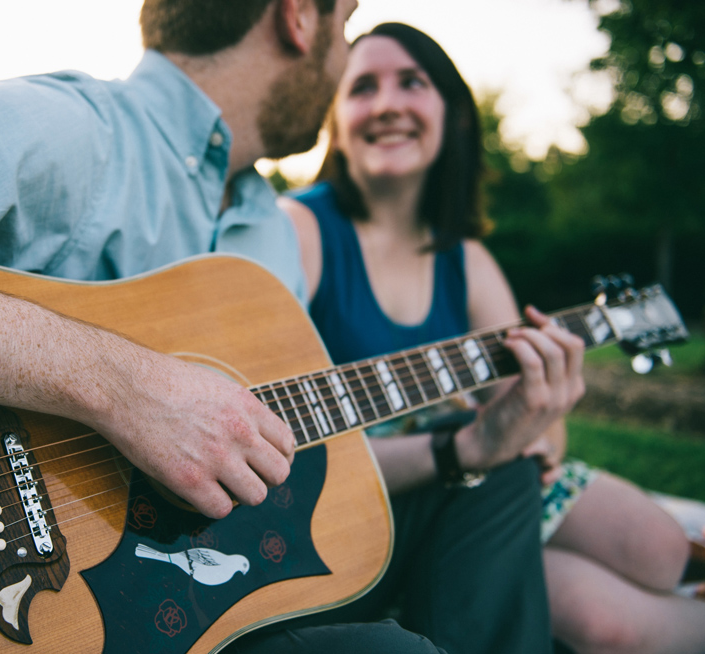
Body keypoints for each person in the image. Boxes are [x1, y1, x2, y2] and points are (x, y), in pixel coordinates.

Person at [0, 2, 584, 650]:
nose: (346, 58)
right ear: (298, 18)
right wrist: (117, 384)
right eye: (346, 23)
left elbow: (267, 442)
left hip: (192, 604)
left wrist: (466, 448)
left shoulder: (264, 233)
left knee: (494, 487)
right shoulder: (78, 135)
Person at [280, 21, 705, 654]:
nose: (389, 103)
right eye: (362, 87)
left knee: (659, 545)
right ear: (335, 121)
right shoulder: (301, 230)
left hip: (490, 477)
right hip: (374, 506)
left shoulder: (465, 259)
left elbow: (542, 430)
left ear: (450, 115)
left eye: (412, 83)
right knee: (607, 622)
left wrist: (541, 409)